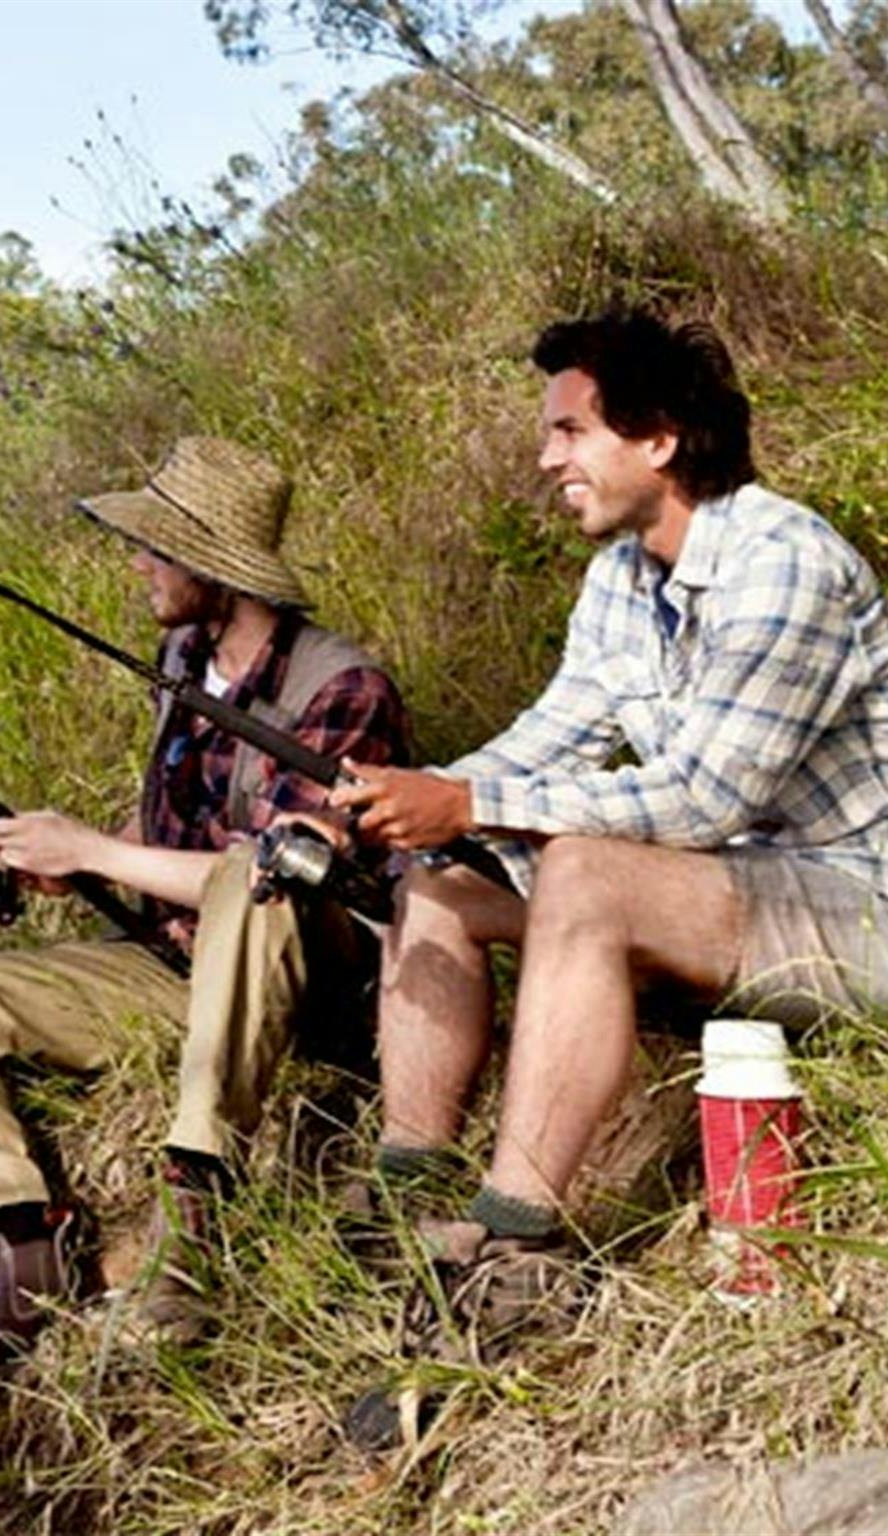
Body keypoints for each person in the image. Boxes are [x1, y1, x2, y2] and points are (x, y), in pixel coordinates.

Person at [331, 308, 888, 1444]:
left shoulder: (785, 561)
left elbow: (701, 798)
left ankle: (515, 1246)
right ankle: (407, 1190)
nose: (546, 459)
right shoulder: (619, 583)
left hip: (859, 907)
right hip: (735, 895)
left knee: (582, 869)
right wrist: (410, 798)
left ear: (659, 439)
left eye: (569, 430)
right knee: (438, 883)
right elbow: (549, 740)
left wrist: (475, 804)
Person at [0, 435, 411, 1414]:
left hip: (308, 986)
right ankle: (20, 1253)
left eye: (154, 548)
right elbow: (173, 834)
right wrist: (62, 861)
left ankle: (192, 1222)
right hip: (170, 968)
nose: (137, 564)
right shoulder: (179, 658)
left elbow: (282, 872)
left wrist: (96, 854)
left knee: (261, 872)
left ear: (210, 563)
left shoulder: (342, 690)